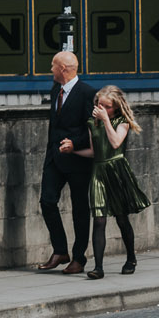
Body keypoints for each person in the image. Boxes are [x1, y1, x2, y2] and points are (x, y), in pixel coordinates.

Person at [37, 50, 98, 274]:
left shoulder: (87, 93)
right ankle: (60, 250)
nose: (50, 69)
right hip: (54, 156)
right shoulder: (56, 90)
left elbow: (91, 128)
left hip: (77, 159)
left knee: (80, 208)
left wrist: (74, 143)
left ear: (63, 69)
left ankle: (79, 258)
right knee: (47, 201)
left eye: (53, 65)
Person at [83, 85, 150, 279]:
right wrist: (73, 150)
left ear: (116, 108)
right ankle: (98, 267)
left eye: (107, 106)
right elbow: (94, 151)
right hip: (98, 171)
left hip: (117, 171)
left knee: (121, 218)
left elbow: (114, 143)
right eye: (99, 104)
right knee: (99, 219)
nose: (101, 108)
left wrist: (105, 121)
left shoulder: (122, 122)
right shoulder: (91, 123)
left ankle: (131, 258)